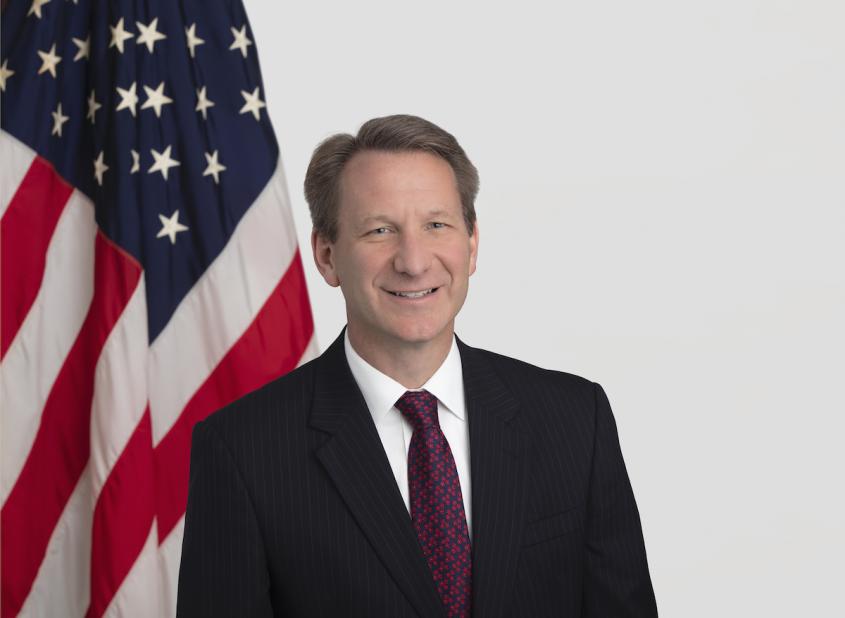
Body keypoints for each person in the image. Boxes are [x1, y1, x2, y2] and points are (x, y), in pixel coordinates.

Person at [176, 114, 658, 617]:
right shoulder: (242, 450)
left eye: (436, 225)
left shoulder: (575, 420)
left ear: (471, 245)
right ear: (326, 255)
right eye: (379, 230)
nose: (413, 260)